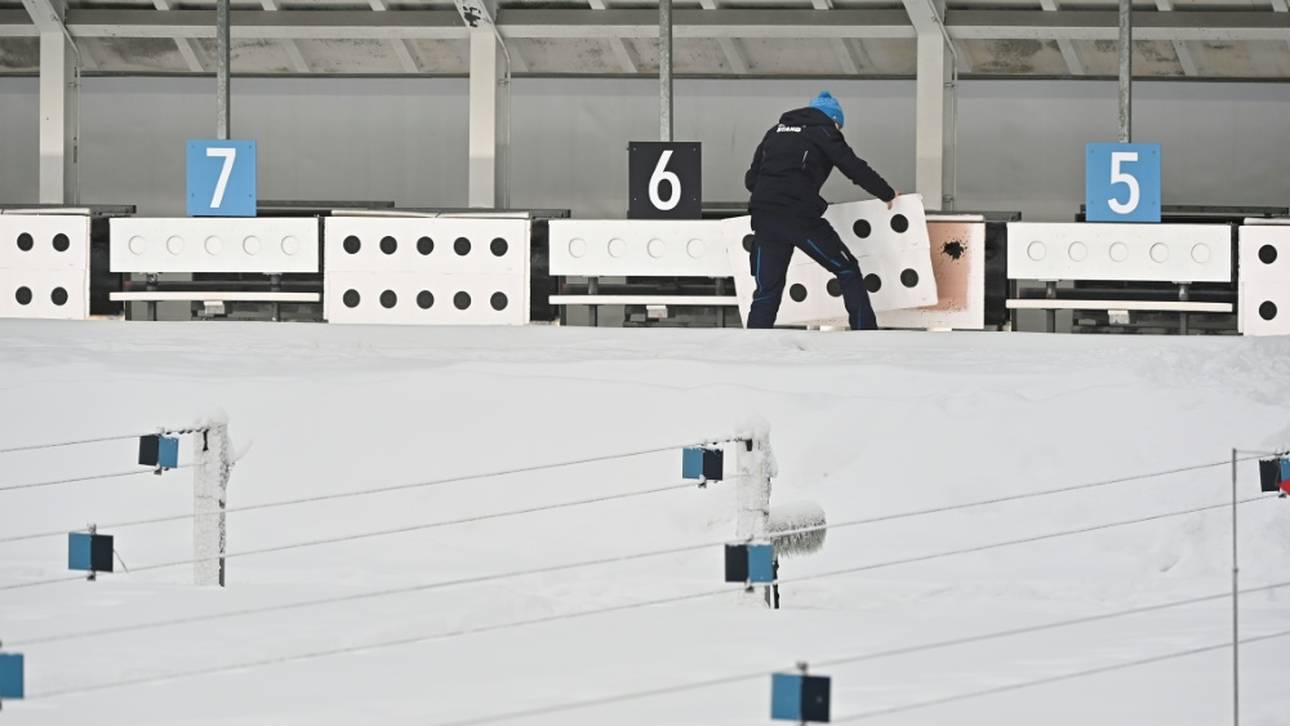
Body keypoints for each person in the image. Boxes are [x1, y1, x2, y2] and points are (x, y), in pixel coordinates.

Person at [743, 91, 898, 330]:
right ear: (834, 120)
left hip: (764, 217)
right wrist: (886, 193)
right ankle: (866, 334)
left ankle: (752, 348)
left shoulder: (774, 132)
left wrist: (772, 196)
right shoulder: (825, 132)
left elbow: (752, 178)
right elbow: (853, 167)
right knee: (847, 270)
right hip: (799, 217)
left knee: (767, 290)